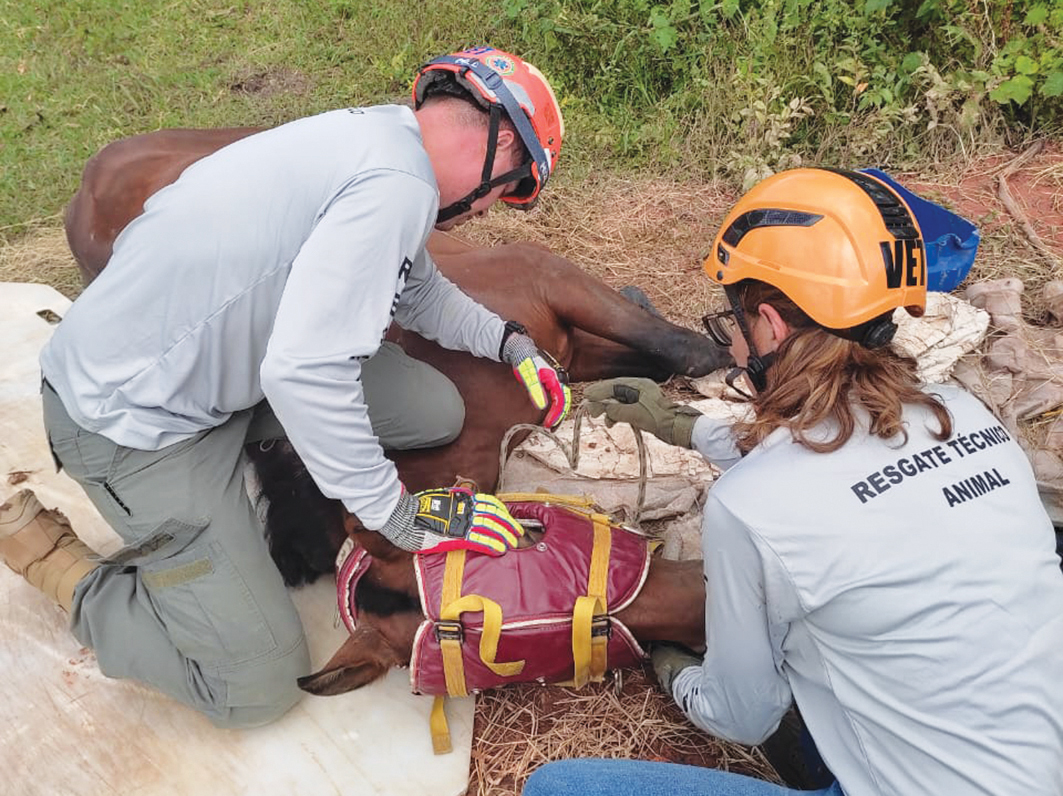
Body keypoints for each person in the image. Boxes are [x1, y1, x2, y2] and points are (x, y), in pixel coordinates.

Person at [0, 46, 572, 728]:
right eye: (511, 187)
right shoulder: (399, 183)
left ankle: (235, 482)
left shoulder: (384, 139)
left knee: (428, 408)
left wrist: (509, 341)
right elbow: (304, 369)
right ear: (503, 140)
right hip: (132, 426)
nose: (491, 210)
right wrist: (394, 515)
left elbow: (414, 287)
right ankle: (69, 573)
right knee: (257, 691)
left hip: (210, 370)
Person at [526, 168, 1063, 795]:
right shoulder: (963, 412)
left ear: (772, 326)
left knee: (559, 787)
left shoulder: (751, 505)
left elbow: (743, 716)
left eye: (734, 322)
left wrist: (679, 674)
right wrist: (680, 425)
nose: (732, 346)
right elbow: (836, 457)